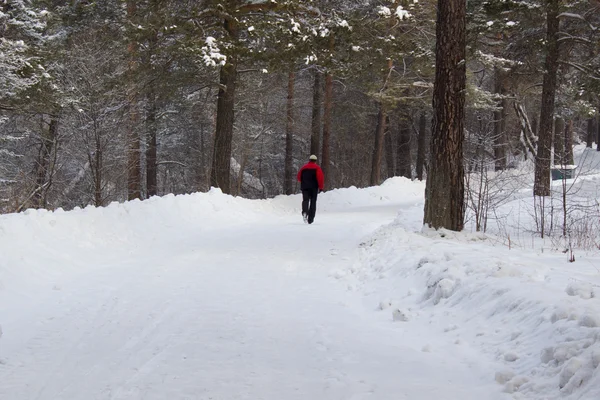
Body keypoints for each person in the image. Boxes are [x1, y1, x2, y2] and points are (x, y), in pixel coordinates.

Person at [297, 154, 324, 224]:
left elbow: (299, 177)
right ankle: (310, 219)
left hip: (305, 187)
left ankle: (305, 212)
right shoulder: (317, 168)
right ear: (315, 161)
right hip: (314, 188)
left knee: (305, 200)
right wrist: (321, 187)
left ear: (309, 160)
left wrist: (304, 181)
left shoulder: (304, 168)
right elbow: (320, 178)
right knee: (313, 202)